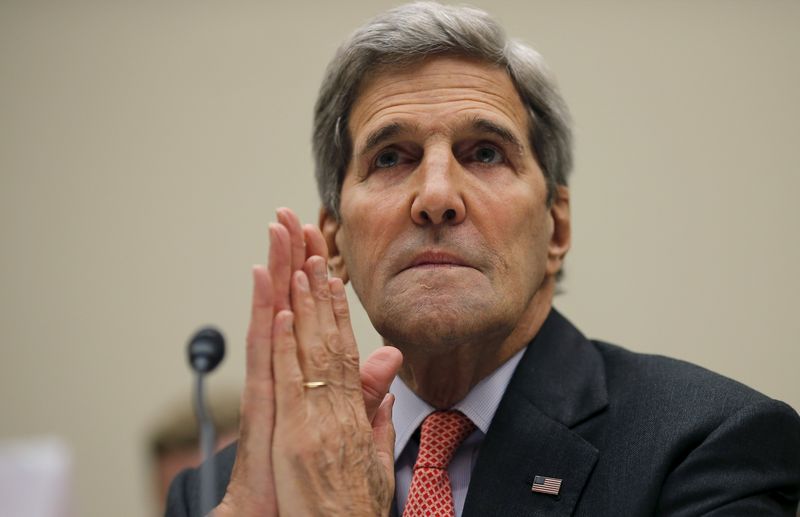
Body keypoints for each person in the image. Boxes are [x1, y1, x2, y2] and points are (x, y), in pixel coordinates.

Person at [166, 2, 800, 516]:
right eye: (391, 158)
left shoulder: (705, 448)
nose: (436, 196)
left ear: (557, 225)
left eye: (484, 153)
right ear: (333, 242)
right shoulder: (221, 495)